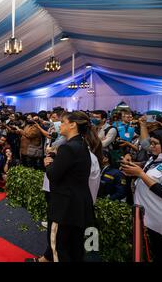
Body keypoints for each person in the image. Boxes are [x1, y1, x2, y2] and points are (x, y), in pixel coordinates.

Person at [43, 111, 98, 262]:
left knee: (59, 249)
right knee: (74, 249)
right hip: (78, 205)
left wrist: (48, 164)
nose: (60, 125)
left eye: (63, 122)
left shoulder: (68, 148)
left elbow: (53, 175)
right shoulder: (82, 145)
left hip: (64, 208)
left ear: (73, 124)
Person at [121, 124, 162, 262]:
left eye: (155, 144)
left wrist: (140, 174)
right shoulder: (156, 158)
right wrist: (134, 167)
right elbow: (150, 172)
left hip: (159, 223)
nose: (151, 146)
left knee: (159, 254)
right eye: (151, 143)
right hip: (145, 218)